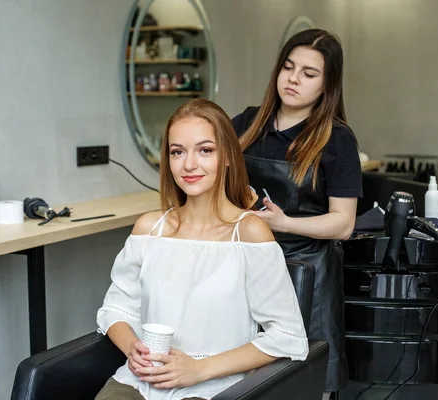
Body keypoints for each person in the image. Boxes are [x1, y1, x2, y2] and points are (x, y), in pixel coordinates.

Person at [95, 98, 308, 400]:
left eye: (205, 150)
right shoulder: (149, 230)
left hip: (213, 388)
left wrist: (199, 369)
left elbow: (285, 336)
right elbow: (117, 308)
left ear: (228, 157)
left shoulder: (248, 234)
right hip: (139, 382)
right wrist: (133, 347)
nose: (189, 164)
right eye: (177, 152)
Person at [232, 29, 363, 396]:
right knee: (241, 376)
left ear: (327, 84)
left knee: (301, 381)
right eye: (288, 67)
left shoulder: (337, 139)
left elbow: (343, 223)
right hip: (247, 266)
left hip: (307, 273)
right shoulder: (246, 123)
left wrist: (284, 222)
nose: (293, 79)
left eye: (309, 73)